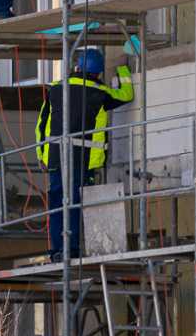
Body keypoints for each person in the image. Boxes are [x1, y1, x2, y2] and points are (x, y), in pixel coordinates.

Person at [36, 43, 137, 261]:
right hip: (81, 158)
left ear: (77, 68)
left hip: (54, 156)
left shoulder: (55, 88)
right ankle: (69, 249)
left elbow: (41, 125)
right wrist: (122, 69)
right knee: (74, 201)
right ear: (98, 73)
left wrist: (41, 155)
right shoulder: (99, 92)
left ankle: (56, 250)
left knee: (56, 203)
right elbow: (127, 94)